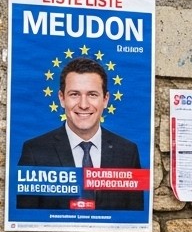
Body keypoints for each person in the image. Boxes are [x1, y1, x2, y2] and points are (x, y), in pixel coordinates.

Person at [16, 57, 144, 211]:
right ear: (62, 99)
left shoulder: (128, 152)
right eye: (75, 94)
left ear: (105, 99)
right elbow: (27, 218)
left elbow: (134, 218)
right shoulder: (34, 151)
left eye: (92, 95)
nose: (83, 105)